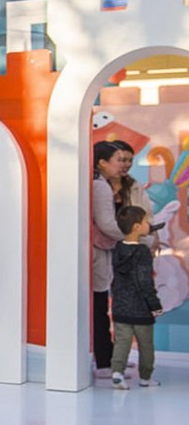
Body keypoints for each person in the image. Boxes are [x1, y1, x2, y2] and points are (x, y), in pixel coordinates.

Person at [110, 206, 163, 389]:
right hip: (141, 309)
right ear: (136, 227)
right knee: (145, 344)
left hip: (120, 306)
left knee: (122, 341)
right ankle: (145, 377)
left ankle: (117, 372)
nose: (149, 225)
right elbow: (145, 282)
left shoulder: (117, 249)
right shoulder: (142, 253)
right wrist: (154, 305)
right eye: (146, 221)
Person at [92, 141, 127, 376]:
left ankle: (107, 358)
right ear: (102, 162)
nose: (123, 165)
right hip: (98, 253)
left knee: (99, 307)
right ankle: (105, 361)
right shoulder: (101, 187)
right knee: (99, 307)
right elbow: (106, 223)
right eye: (119, 160)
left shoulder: (99, 184)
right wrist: (134, 236)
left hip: (98, 252)